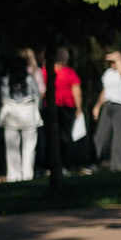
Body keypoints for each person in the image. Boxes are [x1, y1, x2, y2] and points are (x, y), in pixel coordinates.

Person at [0, 51, 43, 181]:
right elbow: (38, 97)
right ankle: (27, 175)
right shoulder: (30, 80)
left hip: (11, 117)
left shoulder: (6, 81)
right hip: (28, 116)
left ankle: (13, 175)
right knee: (29, 148)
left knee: (11, 148)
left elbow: (2, 99)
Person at [44, 47, 83, 186]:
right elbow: (76, 89)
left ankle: (51, 165)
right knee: (65, 137)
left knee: (51, 137)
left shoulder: (45, 71)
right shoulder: (69, 72)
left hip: (51, 106)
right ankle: (63, 164)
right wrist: (79, 107)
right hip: (66, 107)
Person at [93, 50, 121, 170]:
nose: (113, 64)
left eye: (115, 61)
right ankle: (95, 163)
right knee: (100, 135)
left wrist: (119, 59)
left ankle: (119, 165)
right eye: (111, 62)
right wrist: (98, 106)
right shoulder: (108, 73)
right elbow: (105, 91)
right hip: (108, 106)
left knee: (118, 137)